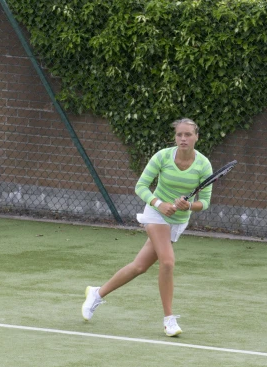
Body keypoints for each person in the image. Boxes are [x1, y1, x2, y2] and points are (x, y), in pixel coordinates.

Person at [82, 118, 214, 336]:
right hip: (155, 213)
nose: (183, 138)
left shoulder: (203, 165)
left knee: (139, 266)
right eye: (179, 134)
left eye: (188, 135)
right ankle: (169, 320)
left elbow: (205, 202)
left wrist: (189, 205)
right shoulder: (162, 157)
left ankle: (97, 293)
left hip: (179, 220)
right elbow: (141, 186)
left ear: (196, 137)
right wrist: (159, 204)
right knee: (168, 262)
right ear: (175, 137)